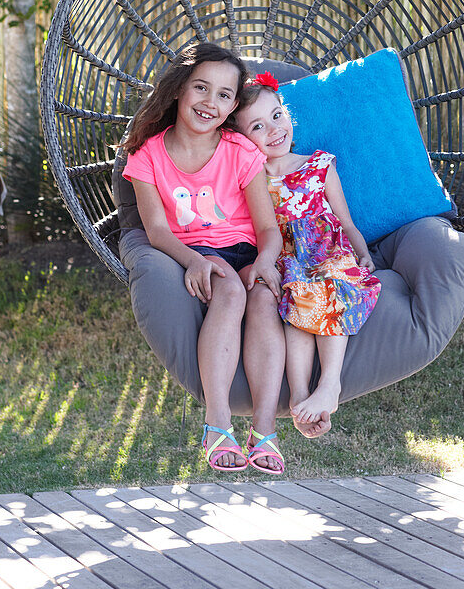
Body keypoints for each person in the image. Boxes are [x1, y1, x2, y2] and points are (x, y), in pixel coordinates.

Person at [122, 43, 286, 474]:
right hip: (188, 251)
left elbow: (268, 229)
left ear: (233, 104)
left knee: (264, 299)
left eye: (224, 95)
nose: (210, 103)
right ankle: (217, 423)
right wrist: (193, 260)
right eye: (201, 88)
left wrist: (267, 262)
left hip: (245, 250)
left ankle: (264, 430)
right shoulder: (147, 156)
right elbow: (155, 230)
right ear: (179, 90)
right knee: (230, 292)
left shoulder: (240, 152)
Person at [234, 73, 381, 438]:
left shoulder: (319, 164)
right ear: (241, 139)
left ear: (288, 114)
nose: (273, 129)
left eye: (277, 115)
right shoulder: (252, 180)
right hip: (287, 258)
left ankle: (330, 384)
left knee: (332, 286)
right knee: (295, 300)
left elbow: (346, 221)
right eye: (257, 126)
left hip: (330, 251)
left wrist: (362, 253)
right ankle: (301, 396)